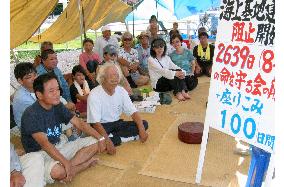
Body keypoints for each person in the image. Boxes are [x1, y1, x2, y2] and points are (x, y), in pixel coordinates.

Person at [21, 73, 107, 185]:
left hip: (60, 145)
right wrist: (65, 163)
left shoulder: (57, 105)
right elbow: (45, 144)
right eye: (51, 91)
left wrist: (100, 138)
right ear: (39, 94)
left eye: (57, 89)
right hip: (41, 154)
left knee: (95, 142)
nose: (57, 94)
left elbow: (79, 123)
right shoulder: (31, 114)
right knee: (58, 172)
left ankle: (70, 169)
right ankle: (79, 166)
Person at [87, 63, 149, 154]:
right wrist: (108, 142)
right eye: (111, 76)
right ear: (103, 78)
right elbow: (95, 123)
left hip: (116, 124)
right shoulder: (94, 94)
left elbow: (133, 112)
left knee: (144, 124)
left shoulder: (121, 91)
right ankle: (113, 139)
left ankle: (114, 139)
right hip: (101, 126)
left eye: (116, 75)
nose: (115, 78)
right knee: (95, 136)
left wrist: (142, 130)